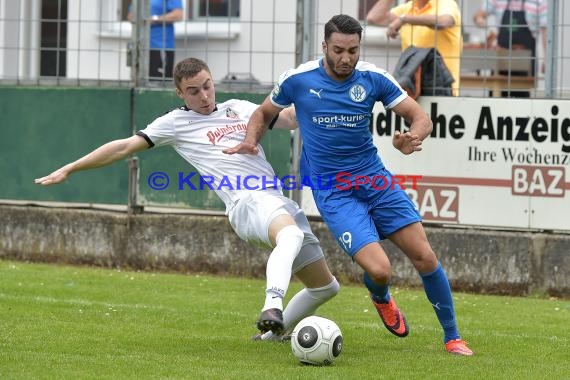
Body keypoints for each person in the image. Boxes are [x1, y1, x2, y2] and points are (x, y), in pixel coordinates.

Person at [34, 57, 340, 341]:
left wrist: (323, 99)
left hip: (275, 202)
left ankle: (271, 335)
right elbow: (123, 147)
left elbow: (288, 117)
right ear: (180, 93)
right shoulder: (175, 123)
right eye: (193, 91)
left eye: (207, 86)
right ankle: (272, 303)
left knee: (325, 287)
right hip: (247, 203)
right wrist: (71, 167)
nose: (204, 96)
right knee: (289, 235)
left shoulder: (240, 108)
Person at [224, 14, 473, 355]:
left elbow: (420, 117)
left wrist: (412, 137)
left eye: (352, 51)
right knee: (380, 270)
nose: (345, 58)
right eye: (338, 50)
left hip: (375, 181)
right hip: (334, 191)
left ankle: (453, 337)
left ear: (360, 48)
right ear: (324, 46)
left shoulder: (372, 78)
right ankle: (381, 295)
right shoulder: (299, 79)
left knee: (425, 257)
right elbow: (263, 113)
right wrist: (252, 141)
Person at [366, 0, 463, 96]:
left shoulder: (446, 3)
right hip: (411, 89)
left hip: (442, 88)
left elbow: (444, 22)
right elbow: (374, 18)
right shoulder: (408, 7)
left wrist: (405, 19)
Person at [473, 0, 547, 97]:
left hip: (525, 63)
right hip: (500, 62)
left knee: (520, 99)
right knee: (495, 98)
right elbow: (478, 15)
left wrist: (546, 59)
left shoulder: (539, 2)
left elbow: (545, 30)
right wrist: (479, 19)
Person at [128, 0, 184, 80]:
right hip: (140, 47)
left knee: (160, 84)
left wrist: (154, 19)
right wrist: (139, 19)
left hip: (161, 47)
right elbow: (131, 16)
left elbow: (178, 15)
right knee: (140, 82)